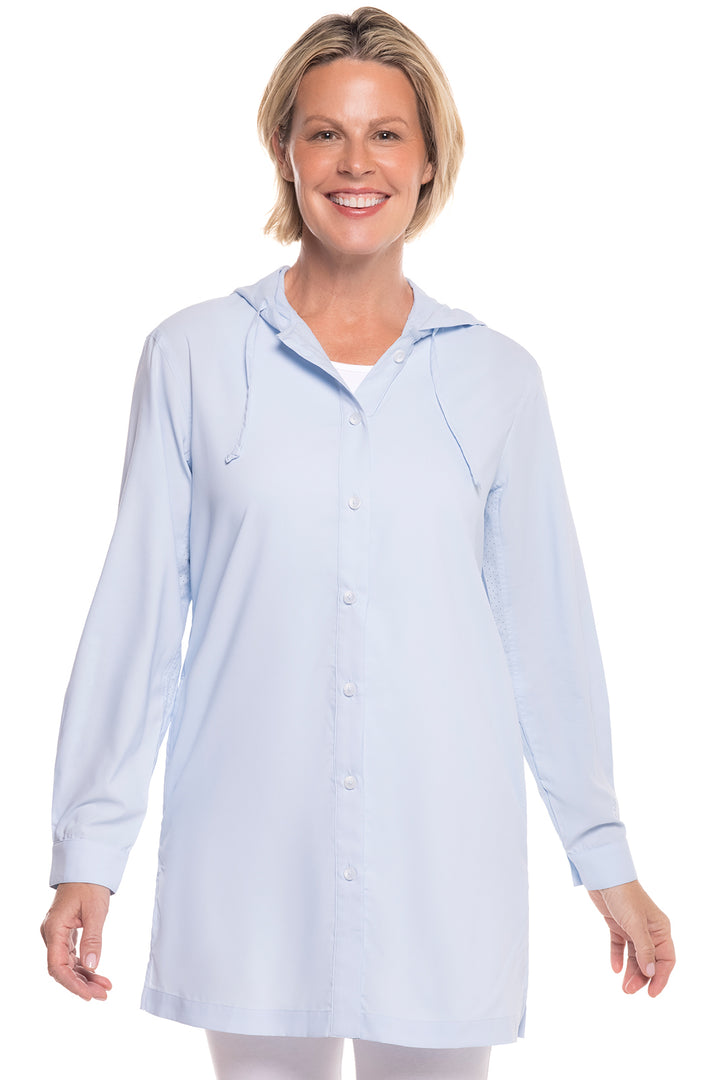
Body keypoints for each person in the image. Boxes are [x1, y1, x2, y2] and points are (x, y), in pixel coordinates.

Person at [40, 7, 675, 1079]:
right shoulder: (192, 357)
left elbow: (548, 637)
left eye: (386, 133)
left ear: (429, 159)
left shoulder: (498, 379)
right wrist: (88, 855)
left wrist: (603, 858)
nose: (355, 163)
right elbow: (137, 615)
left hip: (443, 862)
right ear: (283, 149)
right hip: (252, 855)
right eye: (325, 132)